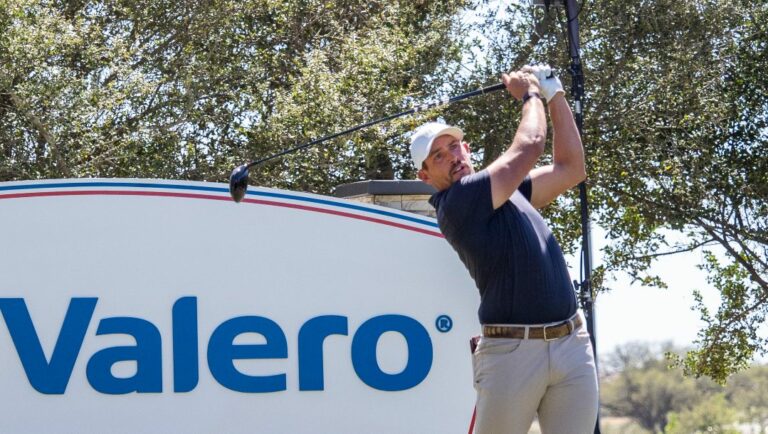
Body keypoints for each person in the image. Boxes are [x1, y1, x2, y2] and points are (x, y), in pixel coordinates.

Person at [410, 65, 598, 434]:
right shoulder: (458, 202)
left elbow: (571, 168)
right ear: (425, 177)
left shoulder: (512, 191)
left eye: (454, 147)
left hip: (571, 343)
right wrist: (529, 94)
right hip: (512, 354)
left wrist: (554, 94)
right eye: (439, 157)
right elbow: (529, 146)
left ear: (467, 148)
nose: (452, 157)